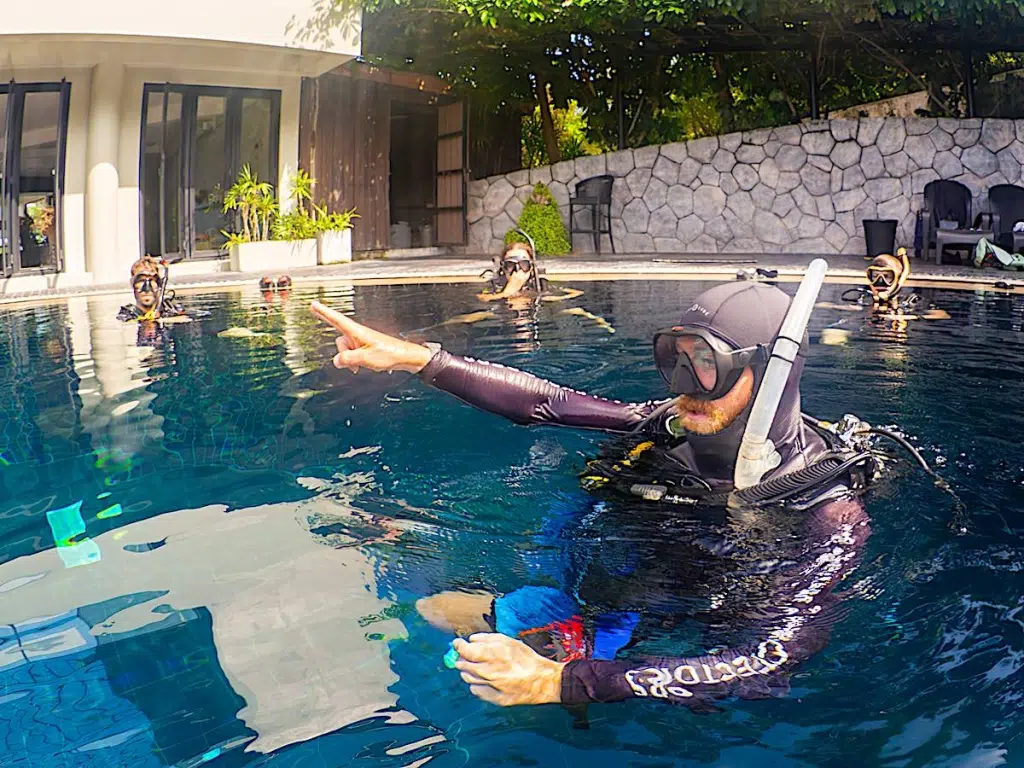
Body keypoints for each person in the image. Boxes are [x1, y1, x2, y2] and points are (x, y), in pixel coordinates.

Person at [310, 281, 877, 710]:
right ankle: (558, 627)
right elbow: (546, 402)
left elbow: (769, 661)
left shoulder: (827, 511)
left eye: (709, 365)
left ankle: (565, 643)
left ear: (771, 371)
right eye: (676, 359)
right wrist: (419, 358)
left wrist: (563, 685)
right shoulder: (665, 426)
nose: (683, 385)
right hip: (616, 585)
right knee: (429, 610)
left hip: (695, 629)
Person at [478, 241, 582, 303]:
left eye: (523, 265)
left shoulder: (539, 284)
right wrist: (507, 293)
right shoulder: (497, 285)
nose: (517, 271)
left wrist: (550, 298)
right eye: (510, 265)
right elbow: (483, 298)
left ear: (531, 267)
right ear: (503, 267)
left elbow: (577, 292)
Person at [117, 256, 186, 322]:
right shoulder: (126, 315)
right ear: (133, 285)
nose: (147, 288)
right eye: (141, 280)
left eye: (151, 280)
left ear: (159, 284)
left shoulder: (172, 310)